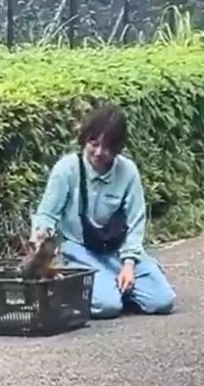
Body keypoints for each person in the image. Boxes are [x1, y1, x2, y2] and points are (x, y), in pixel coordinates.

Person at [30, 104, 175, 319]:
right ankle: (104, 289)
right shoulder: (67, 169)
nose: (99, 153)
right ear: (84, 139)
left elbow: (136, 222)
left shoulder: (128, 172)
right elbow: (47, 214)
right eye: (93, 143)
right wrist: (42, 234)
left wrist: (128, 265)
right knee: (106, 307)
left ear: (118, 148)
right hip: (80, 250)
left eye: (107, 147)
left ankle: (122, 283)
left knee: (163, 301)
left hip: (118, 250)